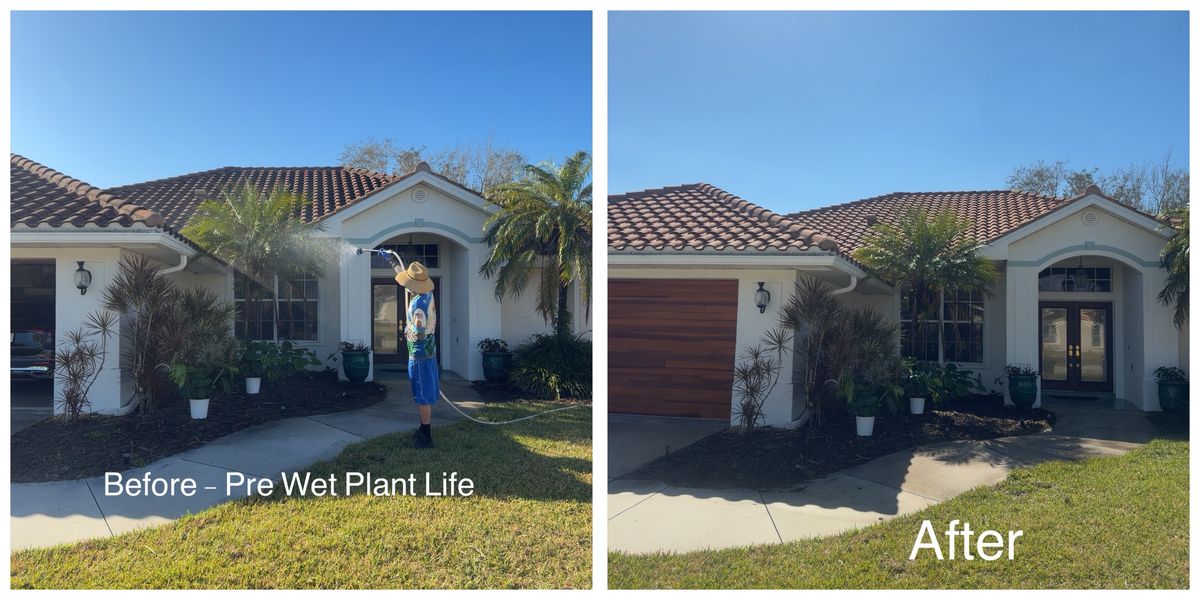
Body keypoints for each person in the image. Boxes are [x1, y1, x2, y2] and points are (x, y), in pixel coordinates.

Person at [389, 251, 439, 448]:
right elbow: (407, 280)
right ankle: (423, 428)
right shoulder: (428, 295)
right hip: (429, 352)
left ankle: (425, 435)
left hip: (419, 354)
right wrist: (393, 262)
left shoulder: (418, 306)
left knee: (422, 394)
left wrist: (408, 332)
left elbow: (418, 333)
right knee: (424, 391)